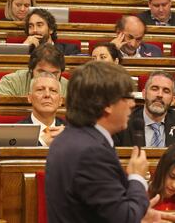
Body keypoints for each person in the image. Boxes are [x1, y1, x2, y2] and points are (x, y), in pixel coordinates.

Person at [45, 61, 175, 223]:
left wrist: (139, 215)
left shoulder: (69, 139)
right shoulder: (92, 152)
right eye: (127, 97)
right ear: (107, 104)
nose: (132, 104)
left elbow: (104, 210)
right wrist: (137, 177)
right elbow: (123, 218)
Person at [115, 70, 175, 147]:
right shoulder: (122, 122)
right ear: (144, 94)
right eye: (154, 89)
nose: (160, 95)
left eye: (166, 91)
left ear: (173, 100)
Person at [0, 43, 68, 97]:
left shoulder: (70, 88)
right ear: (31, 70)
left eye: (54, 73)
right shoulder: (10, 82)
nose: (48, 78)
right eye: (42, 72)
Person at [18, 72, 65, 146]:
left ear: (60, 101)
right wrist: (42, 142)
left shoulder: (71, 131)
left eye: (53, 91)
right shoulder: (17, 131)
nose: (47, 95)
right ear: (30, 98)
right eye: (40, 90)